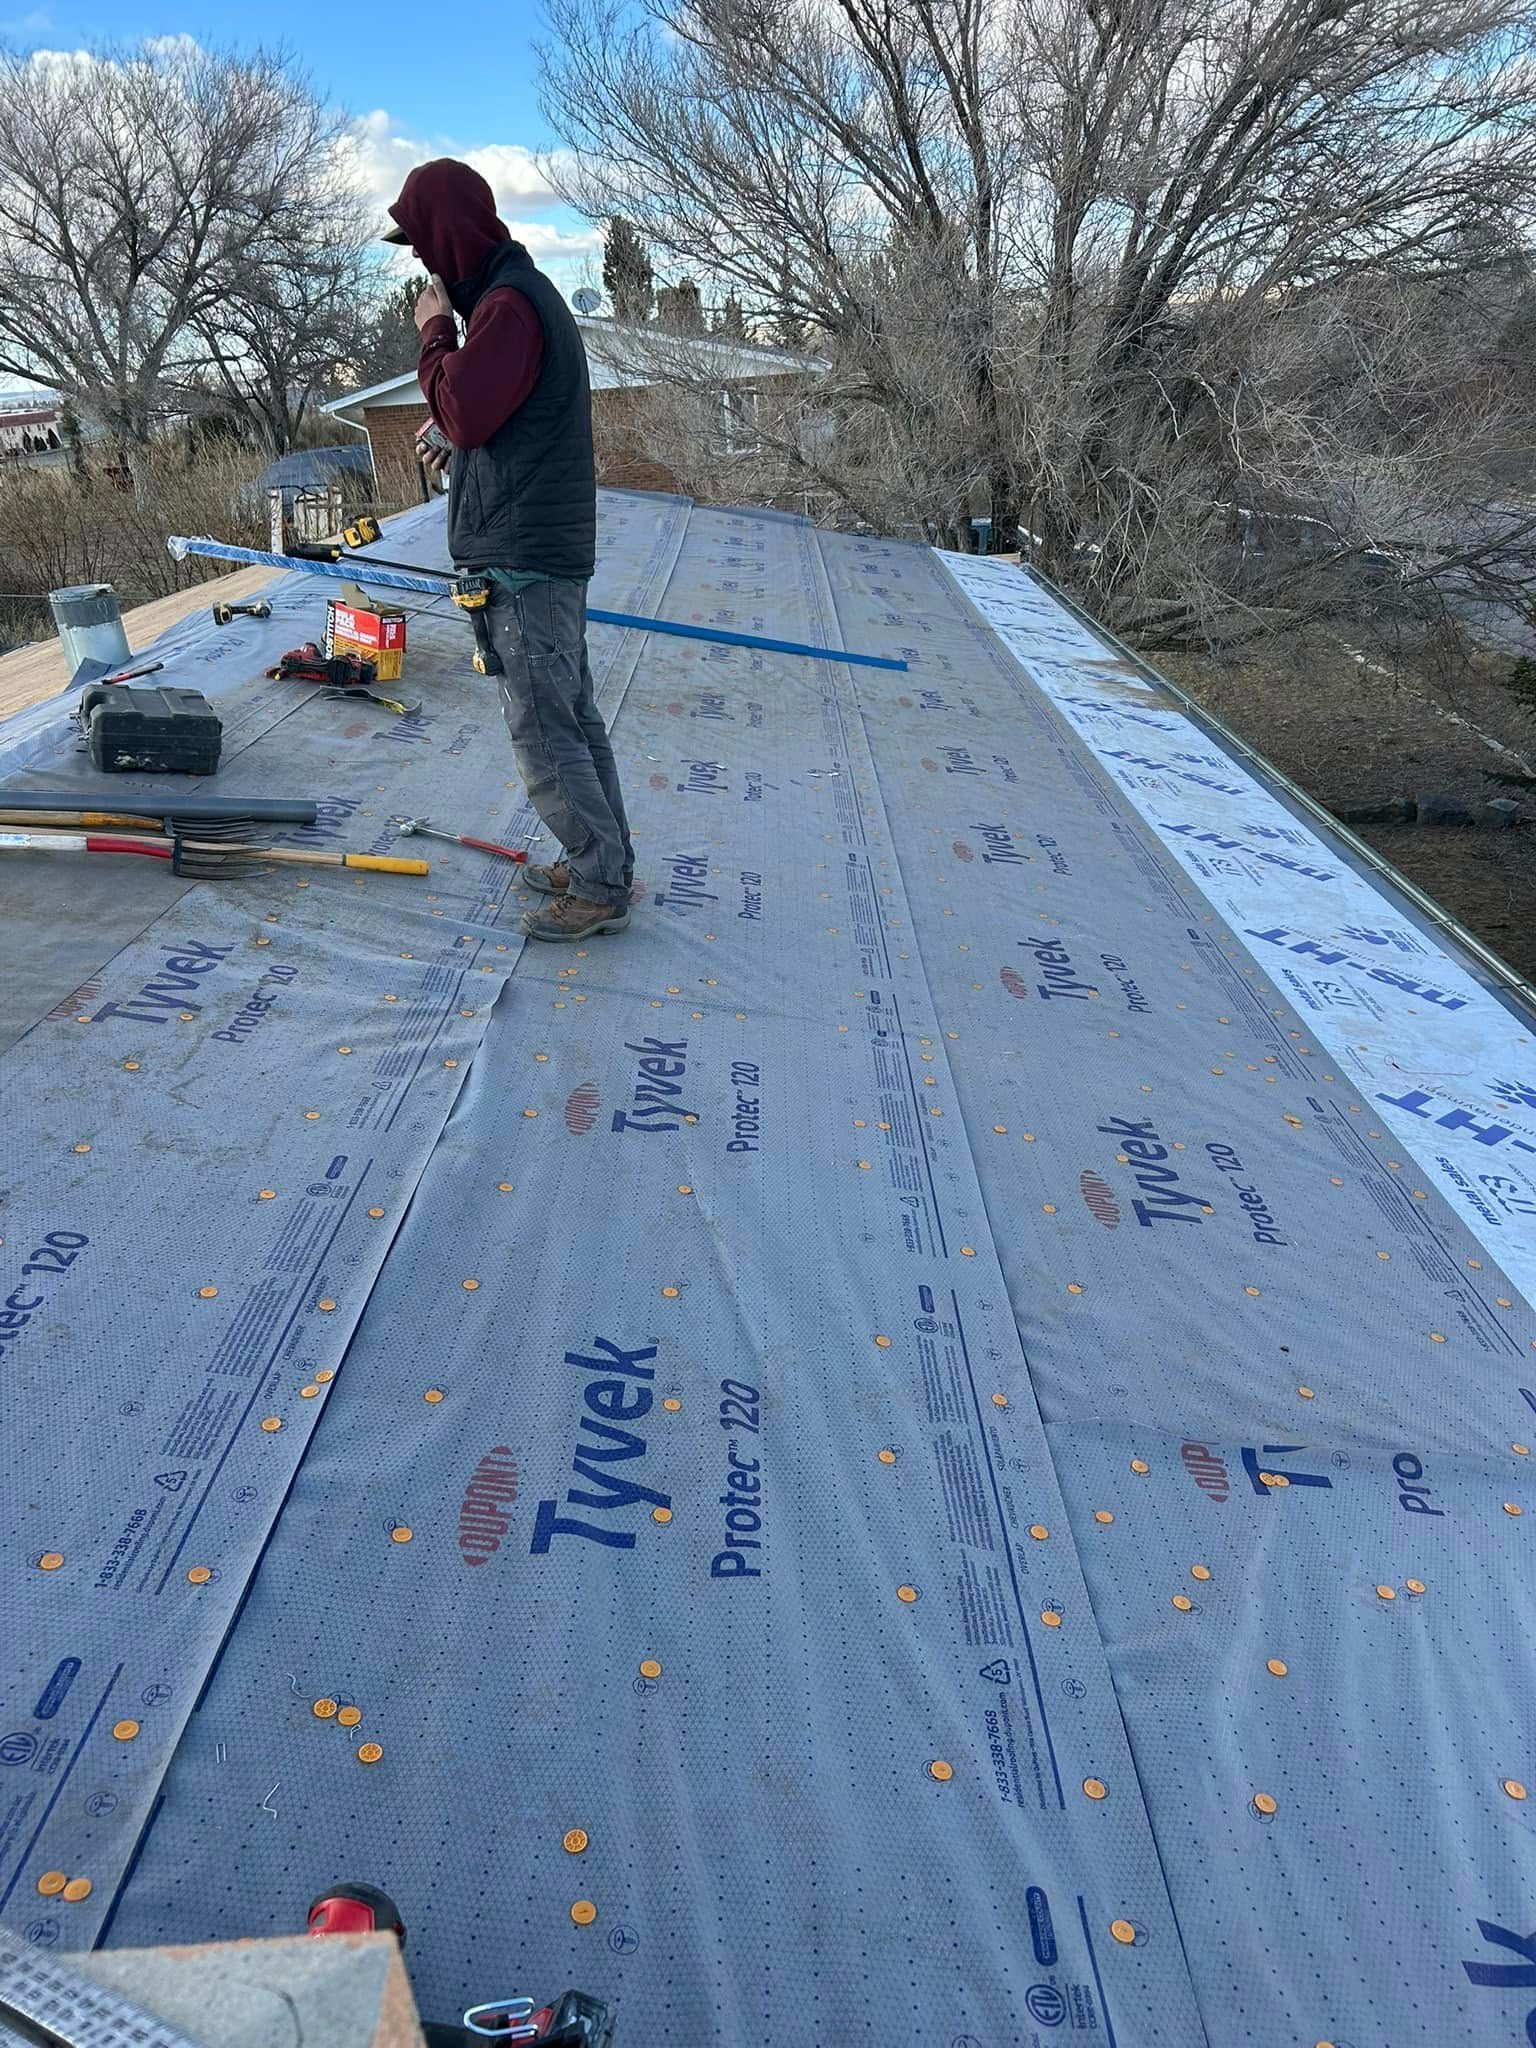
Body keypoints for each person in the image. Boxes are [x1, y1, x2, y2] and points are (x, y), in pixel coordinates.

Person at [384, 158, 634, 941]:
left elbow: (462, 407)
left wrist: (433, 335)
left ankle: (598, 882)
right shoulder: (510, 303)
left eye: (422, 245)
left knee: (543, 730)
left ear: (449, 235)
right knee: (572, 718)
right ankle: (605, 862)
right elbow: (494, 427)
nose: (422, 265)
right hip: (538, 551)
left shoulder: (507, 308)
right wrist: (461, 450)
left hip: (526, 565)